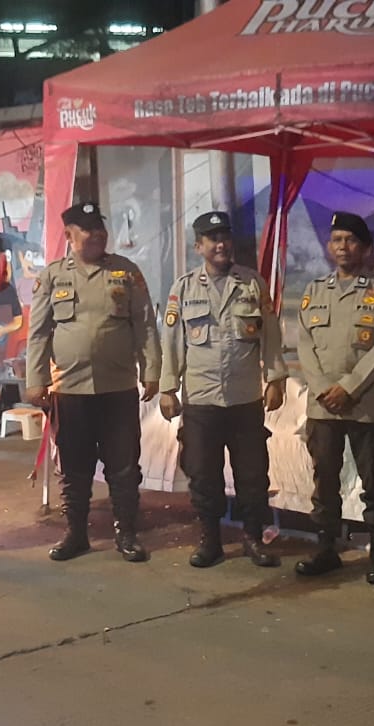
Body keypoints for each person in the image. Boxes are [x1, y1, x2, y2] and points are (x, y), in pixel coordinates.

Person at [25, 202, 161, 563]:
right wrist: (36, 380)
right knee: (74, 466)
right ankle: (76, 534)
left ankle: (126, 533)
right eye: (88, 229)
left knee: (124, 466)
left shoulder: (125, 271)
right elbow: (38, 333)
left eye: (100, 227)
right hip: (69, 389)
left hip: (118, 387)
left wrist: (152, 370)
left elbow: (145, 324)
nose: (98, 234)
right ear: (70, 235)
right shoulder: (53, 276)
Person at [159, 211, 289, 568]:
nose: (221, 245)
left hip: (245, 398)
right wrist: (168, 388)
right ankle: (210, 540)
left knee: (253, 475)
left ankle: (253, 538)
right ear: (198, 246)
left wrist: (276, 379)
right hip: (201, 400)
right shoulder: (183, 288)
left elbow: (270, 336)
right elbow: (172, 342)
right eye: (213, 239)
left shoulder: (252, 284)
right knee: (203, 475)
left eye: (225, 238)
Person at [294, 212, 374, 585]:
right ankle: (326, 550)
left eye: (351, 240)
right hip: (323, 405)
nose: (343, 246)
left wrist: (350, 387)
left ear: (366, 249)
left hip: (367, 406)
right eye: (337, 239)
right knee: (324, 481)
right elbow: (304, 344)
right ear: (329, 247)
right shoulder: (314, 291)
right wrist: (325, 387)